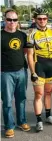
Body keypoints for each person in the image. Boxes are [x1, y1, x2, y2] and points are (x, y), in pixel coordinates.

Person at [1, 9, 31, 138]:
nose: (12, 22)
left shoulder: (22, 35)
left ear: (17, 21)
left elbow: (24, 51)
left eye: (14, 20)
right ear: (4, 20)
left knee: (21, 99)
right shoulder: (1, 35)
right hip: (5, 73)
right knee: (7, 101)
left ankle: (21, 121)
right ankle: (9, 126)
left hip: (21, 71)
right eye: (9, 19)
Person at [27, 8, 52, 132]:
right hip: (39, 66)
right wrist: (33, 72)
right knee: (39, 94)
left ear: (47, 19)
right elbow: (29, 54)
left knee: (48, 93)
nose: (42, 20)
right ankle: (39, 120)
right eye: (39, 18)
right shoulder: (32, 34)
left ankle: (48, 115)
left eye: (44, 18)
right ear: (35, 19)